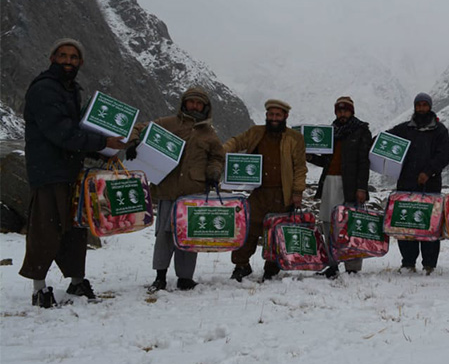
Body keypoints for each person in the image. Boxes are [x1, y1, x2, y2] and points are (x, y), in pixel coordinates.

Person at [20, 39, 128, 307]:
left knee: (75, 229)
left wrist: (104, 152)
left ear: (80, 62)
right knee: (46, 228)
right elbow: (61, 132)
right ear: (52, 58)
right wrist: (102, 143)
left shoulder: (70, 90)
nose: (68, 60)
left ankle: (77, 281)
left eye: (73, 57)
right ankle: (39, 288)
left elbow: (75, 132)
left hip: (70, 171)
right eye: (63, 55)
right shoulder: (44, 89)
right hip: (48, 171)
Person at [127, 87, 225, 293]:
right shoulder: (167, 123)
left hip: (194, 192)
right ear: (184, 103)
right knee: (164, 236)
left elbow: (217, 157)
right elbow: (139, 128)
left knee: (189, 236)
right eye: (191, 102)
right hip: (168, 189)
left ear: (205, 107)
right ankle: (160, 277)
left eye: (199, 103)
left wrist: (214, 173)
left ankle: (185, 278)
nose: (195, 106)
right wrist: (134, 142)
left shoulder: (209, 134)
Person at [223, 99, 307, 282]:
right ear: (266, 115)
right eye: (271, 114)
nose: (274, 118)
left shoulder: (294, 138)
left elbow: (300, 167)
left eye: (278, 115)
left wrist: (297, 192)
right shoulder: (256, 132)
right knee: (248, 228)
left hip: (282, 194)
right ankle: (241, 265)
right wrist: (223, 151)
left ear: (285, 116)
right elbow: (237, 141)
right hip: (259, 193)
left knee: (277, 232)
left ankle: (271, 269)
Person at [307, 96, 372, 279]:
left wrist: (361, 188)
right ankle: (332, 264)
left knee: (350, 225)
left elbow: (364, 162)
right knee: (329, 224)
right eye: (339, 110)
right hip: (329, 182)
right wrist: (311, 157)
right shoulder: (330, 132)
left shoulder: (361, 131)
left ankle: (352, 266)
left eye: (345, 110)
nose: (342, 114)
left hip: (349, 185)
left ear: (352, 111)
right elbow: (326, 161)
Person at [387, 93, 449, 275]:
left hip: (430, 185)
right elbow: (385, 140)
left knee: (430, 223)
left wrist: (428, 172)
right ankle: (408, 262)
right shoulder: (404, 129)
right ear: (415, 107)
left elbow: (443, 156)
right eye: (418, 105)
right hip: (406, 184)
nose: (421, 108)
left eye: (425, 105)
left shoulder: (440, 130)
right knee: (406, 222)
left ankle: (429, 264)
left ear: (430, 107)